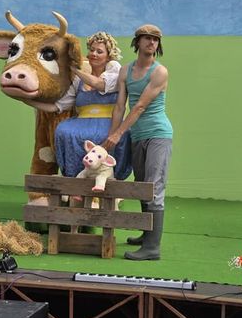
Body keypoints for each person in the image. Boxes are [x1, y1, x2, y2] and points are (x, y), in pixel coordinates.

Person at [103, 24, 172, 261]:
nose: (151, 42)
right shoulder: (125, 71)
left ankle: (152, 248)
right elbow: (119, 107)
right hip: (138, 135)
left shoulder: (159, 72)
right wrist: (110, 138)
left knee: (154, 187)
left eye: (155, 39)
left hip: (158, 134)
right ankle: (146, 234)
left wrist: (119, 134)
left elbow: (140, 106)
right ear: (137, 42)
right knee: (142, 185)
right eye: (147, 38)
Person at [24, 31, 132, 180]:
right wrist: (27, 100)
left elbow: (98, 84)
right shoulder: (78, 81)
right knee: (63, 130)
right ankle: (74, 179)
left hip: (109, 122)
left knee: (122, 135)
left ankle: (111, 179)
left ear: (108, 56)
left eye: (99, 51)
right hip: (81, 122)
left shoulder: (114, 74)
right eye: (92, 50)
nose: (94, 54)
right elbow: (58, 106)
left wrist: (74, 69)